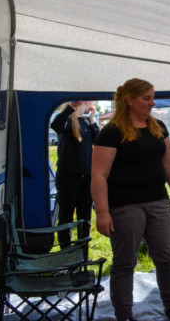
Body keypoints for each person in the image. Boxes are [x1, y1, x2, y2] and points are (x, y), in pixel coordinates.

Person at [91, 78, 170, 321]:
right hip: (124, 206)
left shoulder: (158, 127)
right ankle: (124, 314)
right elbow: (99, 175)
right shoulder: (112, 131)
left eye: (153, 97)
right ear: (130, 100)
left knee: (167, 257)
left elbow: (169, 162)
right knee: (125, 263)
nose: (152, 103)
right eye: (147, 98)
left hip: (158, 202)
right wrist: (102, 213)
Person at [50, 100, 99, 248]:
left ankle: (83, 253)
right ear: (85, 102)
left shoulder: (86, 123)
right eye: (92, 102)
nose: (93, 104)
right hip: (68, 177)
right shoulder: (67, 120)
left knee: (85, 217)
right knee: (66, 216)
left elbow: (99, 140)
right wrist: (71, 107)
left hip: (86, 177)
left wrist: (92, 119)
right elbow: (55, 125)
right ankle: (67, 253)